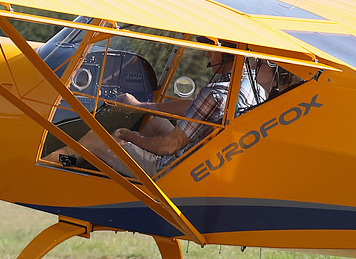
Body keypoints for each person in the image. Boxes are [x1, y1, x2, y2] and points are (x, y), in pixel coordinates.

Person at [56, 43, 262, 177]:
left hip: (174, 171)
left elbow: (168, 147)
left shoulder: (214, 93)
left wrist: (133, 137)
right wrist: (141, 107)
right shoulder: (252, 88)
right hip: (212, 166)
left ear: (229, 55)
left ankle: (51, 167)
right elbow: (195, 107)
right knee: (152, 121)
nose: (208, 52)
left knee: (97, 138)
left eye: (214, 49)